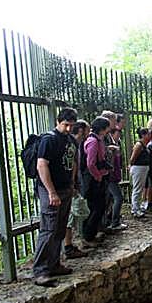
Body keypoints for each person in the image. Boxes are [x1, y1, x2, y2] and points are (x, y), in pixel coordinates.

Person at [32, 107, 78, 287]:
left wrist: (72, 183)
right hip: (50, 189)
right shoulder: (48, 140)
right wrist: (51, 191)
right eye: (66, 125)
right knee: (49, 229)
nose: (68, 129)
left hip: (65, 187)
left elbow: (73, 161)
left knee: (60, 228)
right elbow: (42, 166)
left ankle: (54, 263)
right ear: (58, 122)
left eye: (71, 126)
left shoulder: (70, 140)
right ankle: (41, 270)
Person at [81, 117, 111, 245]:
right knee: (96, 207)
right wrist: (98, 176)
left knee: (99, 206)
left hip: (97, 178)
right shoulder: (93, 141)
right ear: (103, 129)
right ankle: (88, 236)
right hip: (93, 180)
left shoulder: (98, 140)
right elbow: (91, 163)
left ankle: (91, 234)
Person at [63, 120, 90, 259]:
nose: (89, 133)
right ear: (81, 130)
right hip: (69, 184)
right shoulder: (71, 143)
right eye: (87, 130)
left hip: (74, 182)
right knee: (69, 215)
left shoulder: (76, 144)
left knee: (74, 214)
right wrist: (72, 183)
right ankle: (68, 246)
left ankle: (73, 243)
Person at [106, 128, 126, 230]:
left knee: (111, 199)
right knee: (118, 197)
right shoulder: (110, 147)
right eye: (118, 134)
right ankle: (115, 222)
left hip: (114, 176)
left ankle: (110, 220)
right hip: (111, 177)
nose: (119, 136)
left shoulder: (116, 145)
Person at [129, 128, 151, 217]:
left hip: (143, 168)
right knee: (137, 189)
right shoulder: (139, 145)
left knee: (141, 188)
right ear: (143, 135)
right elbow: (133, 158)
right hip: (138, 168)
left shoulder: (145, 145)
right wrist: (131, 166)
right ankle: (135, 209)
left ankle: (138, 206)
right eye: (148, 134)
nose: (150, 136)